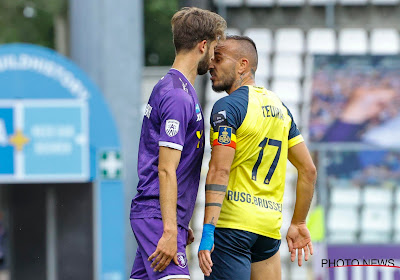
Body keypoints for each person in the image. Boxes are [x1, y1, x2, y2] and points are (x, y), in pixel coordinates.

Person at [197, 35, 316, 280]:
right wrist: (298, 223)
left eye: (218, 59)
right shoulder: (281, 108)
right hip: (268, 231)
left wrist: (208, 231)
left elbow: (220, 170)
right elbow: (308, 170)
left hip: (232, 228)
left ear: (242, 65)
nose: (211, 65)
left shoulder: (227, 107)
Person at [130, 7, 226, 280]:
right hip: (158, 218)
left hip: (162, 216)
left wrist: (179, 222)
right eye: (215, 47)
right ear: (203, 45)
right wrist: (171, 228)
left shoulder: (172, 87)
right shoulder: (178, 97)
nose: (215, 56)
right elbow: (166, 169)